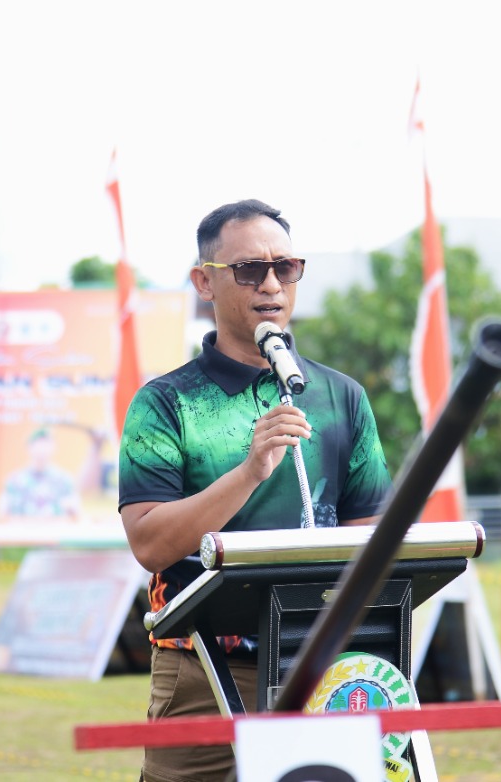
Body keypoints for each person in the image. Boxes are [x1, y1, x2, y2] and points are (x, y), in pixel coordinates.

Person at [117, 199, 391, 782]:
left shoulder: (343, 396)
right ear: (204, 283)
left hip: (325, 666)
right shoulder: (165, 403)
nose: (271, 284)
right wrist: (249, 473)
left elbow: (369, 534)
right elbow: (149, 543)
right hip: (205, 667)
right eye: (248, 270)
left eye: (285, 267)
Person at [0, 426, 106, 519]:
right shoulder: (15, 480)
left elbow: (76, 512)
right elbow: (2, 512)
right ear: (29, 447)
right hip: (22, 534)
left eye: (46, 443)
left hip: (55, 535)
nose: (42, 448)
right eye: (38, 443)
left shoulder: (63, 480)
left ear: (53, 447)